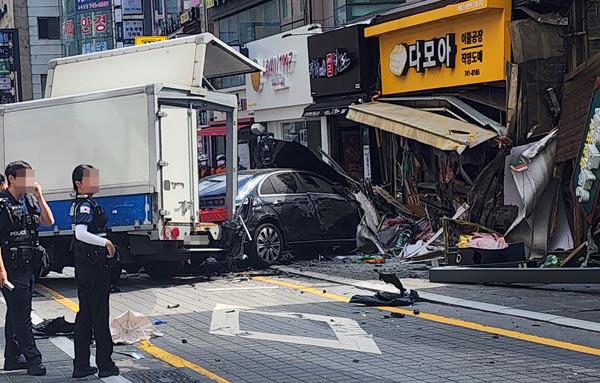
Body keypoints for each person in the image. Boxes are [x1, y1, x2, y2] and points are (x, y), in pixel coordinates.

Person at [0, 161, 54, 376]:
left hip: (30, 264)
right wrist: (1, 270)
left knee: (16, 311)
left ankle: (12, 358)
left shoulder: (31, 200)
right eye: (25, 177)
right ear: (12, 179)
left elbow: (48, 221)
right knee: (22, 315)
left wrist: (40, 196)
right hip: (12, 267)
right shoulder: (2, 204)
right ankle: (34, 359)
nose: (29, 182)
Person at [70, 164, 119, 379]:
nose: (95, 182)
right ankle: (105, 365)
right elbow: (80, 233)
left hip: (87, 266)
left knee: (86, 315)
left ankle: (81, 365)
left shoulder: (86, 203)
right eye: (90, 179)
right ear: (78, 183)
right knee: (99, 316)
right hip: (92, 267)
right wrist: (105, 242)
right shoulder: (84, 205)